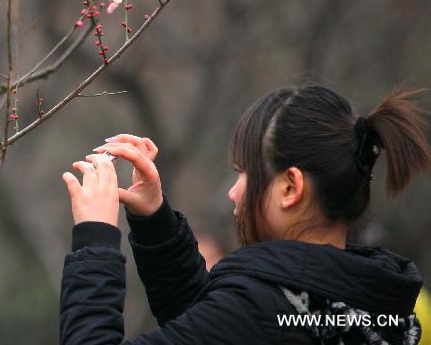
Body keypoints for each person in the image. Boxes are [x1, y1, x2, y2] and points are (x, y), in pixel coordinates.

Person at [60, 84, 430, 344]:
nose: (233, 192)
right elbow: (213, 322)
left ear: (290, 188)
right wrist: (155, 219)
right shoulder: (367, 302)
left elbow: (237, 320)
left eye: (243, 173)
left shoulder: (264, 311)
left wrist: (96, 240)